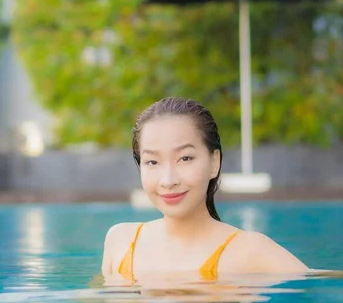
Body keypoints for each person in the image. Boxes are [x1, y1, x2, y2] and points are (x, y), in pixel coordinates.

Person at [101, 97, 308, 283]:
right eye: (152, 161)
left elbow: (319, 286)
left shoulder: (248, 250)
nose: (168, 180)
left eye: (185, 158)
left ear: (214, 163)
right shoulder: (121, 241)